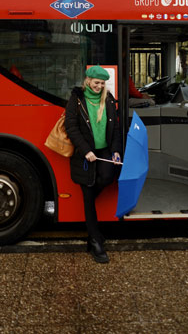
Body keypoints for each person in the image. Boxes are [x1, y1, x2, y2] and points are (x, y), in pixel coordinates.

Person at [65, 65, 122, 264]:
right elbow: (71, 127)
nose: (99, 86)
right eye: (96, 82)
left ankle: (92, 237)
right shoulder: (77, 99)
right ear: (88, 80)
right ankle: (96, 241)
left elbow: (115, 127)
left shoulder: (108, 98)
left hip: (104, 150)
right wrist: (85, 150)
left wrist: (115, 151)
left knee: (107, 177)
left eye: (102, 83)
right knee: (88, 193)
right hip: (85, 154)